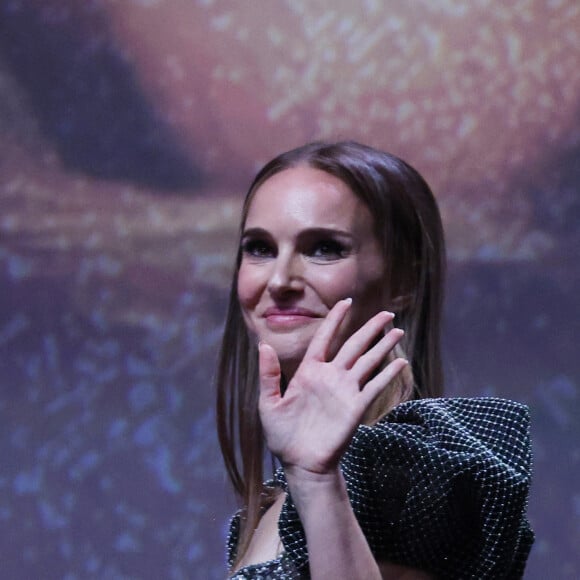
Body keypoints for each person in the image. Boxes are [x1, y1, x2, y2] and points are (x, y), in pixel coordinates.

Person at [216, 141, 534, 579]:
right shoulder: (280, 494)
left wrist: (317, 480)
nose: (279, 279)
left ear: (402, 277)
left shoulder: (409, 467)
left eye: (325, 248)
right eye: (260, 248)